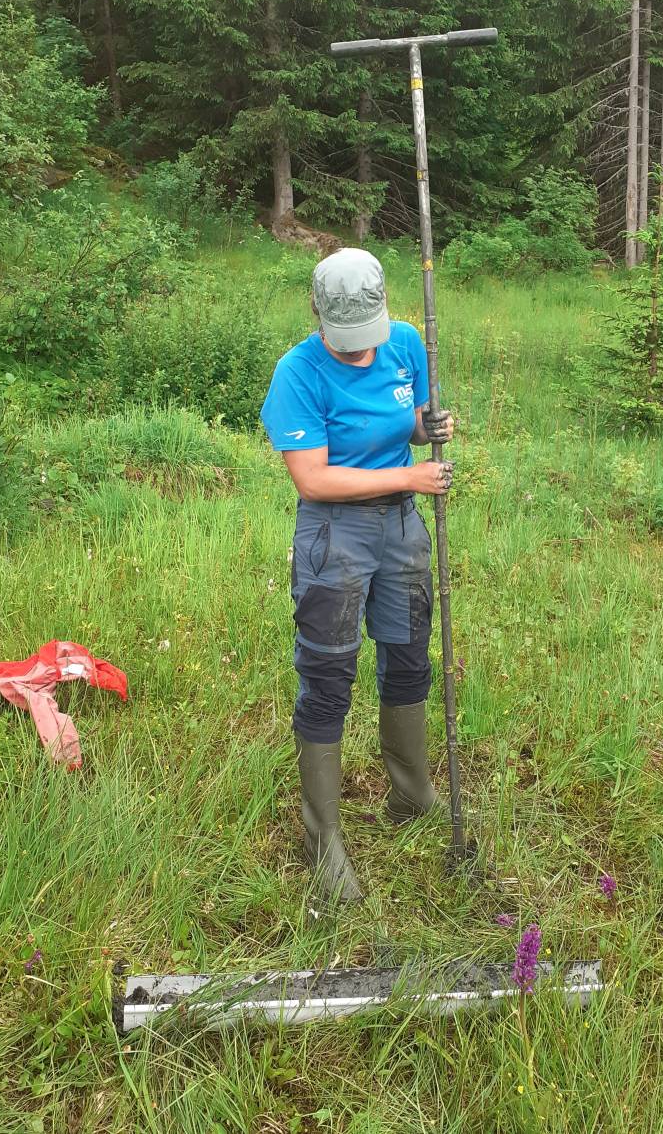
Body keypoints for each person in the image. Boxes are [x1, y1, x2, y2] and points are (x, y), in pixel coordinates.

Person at [260, 247, 454, 901]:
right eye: (347, 343)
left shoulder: (405, 343)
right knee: (328, 676)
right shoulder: (298, 372)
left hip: (400, 528)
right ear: (318, 315)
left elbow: (416, 426)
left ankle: (412, 793)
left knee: (406, 658)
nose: (360, 352)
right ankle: (323, 837)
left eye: (366, 338)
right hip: (333, 536)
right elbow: (312, 475)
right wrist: (410, 473)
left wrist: (432, 428)